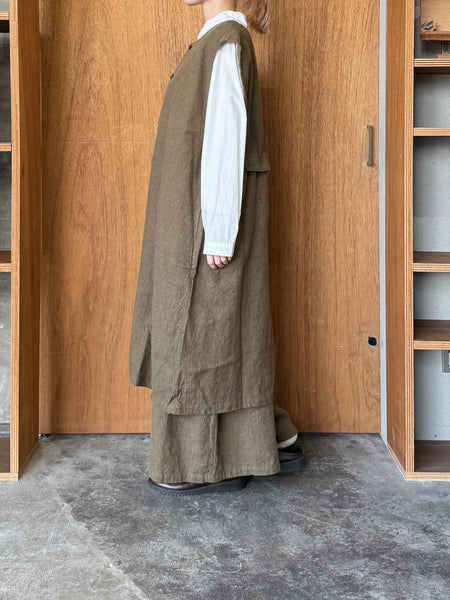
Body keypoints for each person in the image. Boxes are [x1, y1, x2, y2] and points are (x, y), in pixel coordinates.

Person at [129, 0, 306, 495]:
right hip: (187, 220)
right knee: (203, 333)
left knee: (202, 336)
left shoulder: (227, 42)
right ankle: (265, 436)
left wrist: (221, 231)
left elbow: (226, 143)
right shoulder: (212, 42)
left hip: (204, 227)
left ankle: (206, 461)